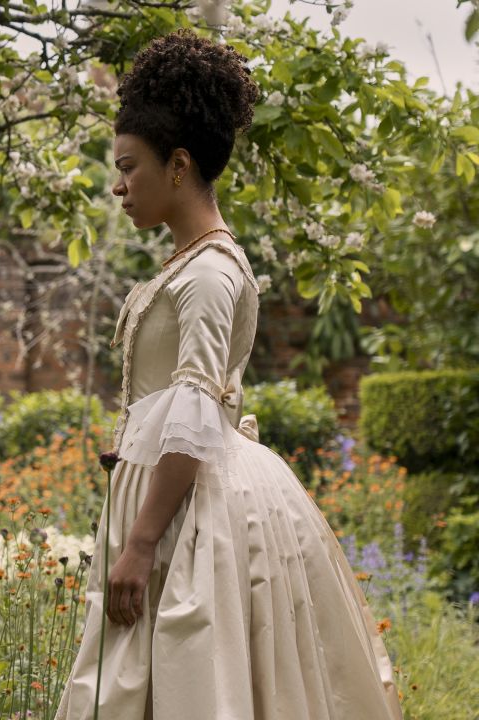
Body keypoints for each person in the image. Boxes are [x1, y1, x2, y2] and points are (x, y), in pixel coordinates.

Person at [54, 31, 401, 719]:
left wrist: (142, 544)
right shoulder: (187, 265)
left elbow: (192, 409)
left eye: (129, 167)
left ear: (178, 165)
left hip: (191, 512)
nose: (119, 186)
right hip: (170, 494)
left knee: (192, 673)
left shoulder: (210, 273)